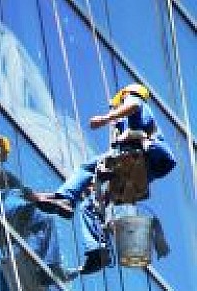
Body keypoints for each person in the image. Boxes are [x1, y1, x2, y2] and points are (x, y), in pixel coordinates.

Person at [32, 83, 176, 274]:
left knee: (86, 167)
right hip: (136, 174)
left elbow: (133, 105)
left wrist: (105, 119)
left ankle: (65, 198)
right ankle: (97, 252)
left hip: (134, 159)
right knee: (88, 206)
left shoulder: (136, 102)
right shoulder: (133, 125)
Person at [0, 133, 76, 286]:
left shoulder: (0, 176)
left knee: (44, 220)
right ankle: (35, 259)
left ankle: (50, 267)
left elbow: (31, 194)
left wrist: (58, 197)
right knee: (16, 195)